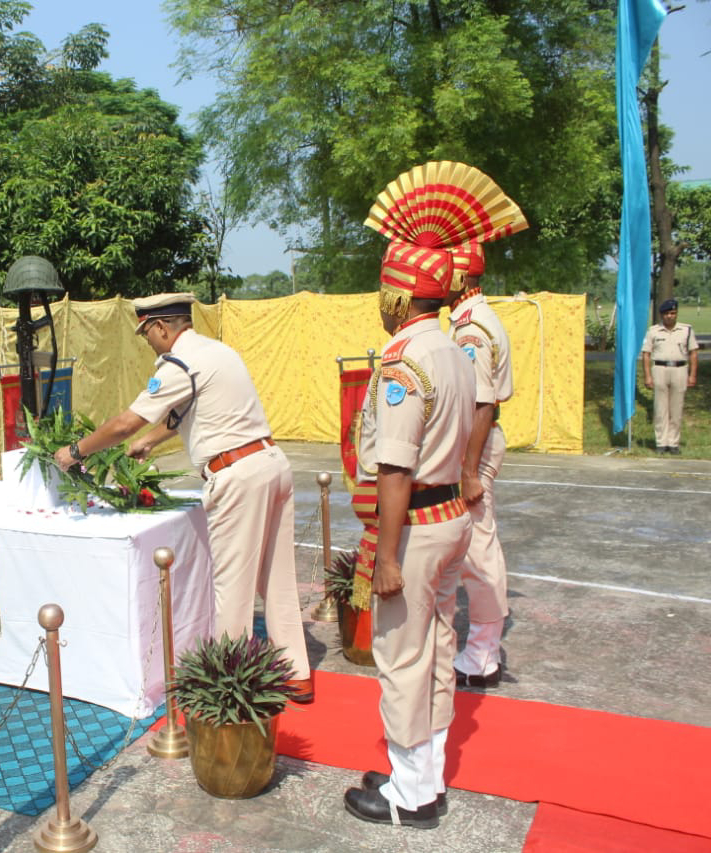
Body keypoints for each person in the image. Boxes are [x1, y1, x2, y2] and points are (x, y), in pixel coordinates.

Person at [345, 160, 525, 830]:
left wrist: (385, 553)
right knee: (439, 650)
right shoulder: (451, 348)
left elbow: (394, 466)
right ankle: (421, 771)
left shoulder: (403, 362)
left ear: (397, 297)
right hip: (451, 516)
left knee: (403, 657)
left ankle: (412, 792)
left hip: (417, 526)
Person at [51, 293, 312, 702]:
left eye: (147, 336)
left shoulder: (177, 364)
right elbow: (184, 413)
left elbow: (123, 424)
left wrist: (76, 451)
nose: (148, 343)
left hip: (237, 476)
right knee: (277, 578)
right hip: (271, 463)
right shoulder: (217, 351)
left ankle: (231, 686)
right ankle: (296, 672)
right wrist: (150, 443)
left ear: (160, 327)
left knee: (232, 586)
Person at [448, 242, 514, 689]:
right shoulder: (471, 321)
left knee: (478, 547)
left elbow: (482, 404)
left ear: (459, 279)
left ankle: (483, 653)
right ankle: (481, 645)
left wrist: (469, 472)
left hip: (477, 444)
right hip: (475, 443)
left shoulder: (471, 331)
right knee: (471, 545)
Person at [642, 298, 699, 454]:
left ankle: (673, 443)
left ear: (676, 314)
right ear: (661, 315)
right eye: (667, 313)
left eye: (673, 313)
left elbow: (693, 353)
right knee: (660, 408)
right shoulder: (653, 331)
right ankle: (661, 442)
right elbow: (646, 354)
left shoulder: (686, 330)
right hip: (660, 369)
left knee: (676, 408)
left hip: (680, 369)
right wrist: (647, 376)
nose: (670, 316)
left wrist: (692, 375)